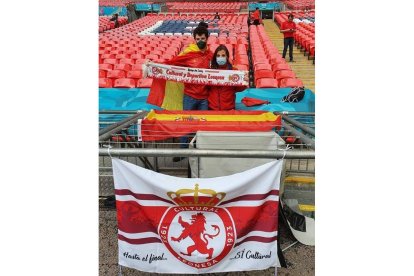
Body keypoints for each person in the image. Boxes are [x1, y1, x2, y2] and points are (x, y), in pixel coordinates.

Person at [208, 45, 247, 111]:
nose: (220, 57)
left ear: (227, 56)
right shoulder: (210, 71)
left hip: (229, 108)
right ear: (215, 57)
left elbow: (239, 88)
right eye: (218, 56)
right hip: (212, 108)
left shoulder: (233, 71)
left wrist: (244, 82)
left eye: (223, 55)